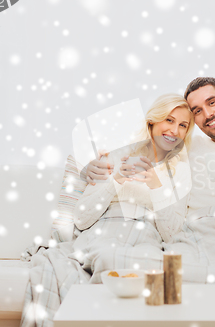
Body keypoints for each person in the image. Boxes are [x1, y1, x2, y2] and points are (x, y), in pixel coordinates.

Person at [86, 78, 215, 326]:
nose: (207, 114)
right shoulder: (188, 145)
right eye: (197, 110)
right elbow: (144, 146)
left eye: (212, 102)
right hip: (190, 234)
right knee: (162, 273)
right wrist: (97, 166)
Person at [20, 93, 194, 327]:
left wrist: (156, 185)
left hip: (146, 237)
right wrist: (115, 180)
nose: (174, 130)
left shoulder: (181, 171)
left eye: (183, 125)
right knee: (60, 267)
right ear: (152, 121)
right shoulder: (119, 155)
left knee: (138, 262)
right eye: (169, 120)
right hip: (104, 231)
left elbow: (172, 233)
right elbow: (81, 218)